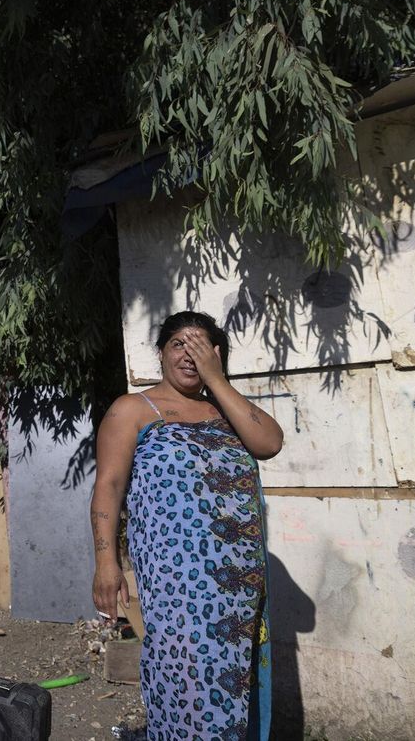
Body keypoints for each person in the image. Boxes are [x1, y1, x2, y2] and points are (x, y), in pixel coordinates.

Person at [89, 311, 283, 741]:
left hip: (239, 583)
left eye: (200, 348)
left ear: (216, 356)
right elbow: (109, 485)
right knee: (188, 680)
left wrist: (218, 381)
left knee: (236, 681)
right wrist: (107, 560)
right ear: (161, 353)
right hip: (181, 584)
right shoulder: (134, 409)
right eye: (179, 344)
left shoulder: (226, 410)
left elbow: (269, 443)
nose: (188, 355)